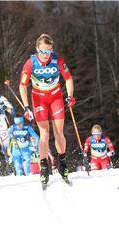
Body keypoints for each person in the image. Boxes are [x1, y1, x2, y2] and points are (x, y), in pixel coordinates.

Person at [19, 33, 75, 184]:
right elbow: (22, 86)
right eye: (43, 51)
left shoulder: (57, 60)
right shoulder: (30, 63)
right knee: (44, 132)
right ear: (37, 49)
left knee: (58, 132)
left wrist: (70, 96)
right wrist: (26, 106)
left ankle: (62, 162)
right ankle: (44, 167)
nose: (46, 55)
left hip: (55, 97)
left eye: (49, 52)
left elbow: (68, 78)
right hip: (39, 99)